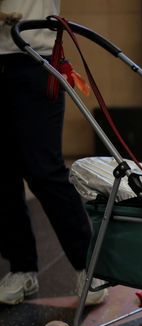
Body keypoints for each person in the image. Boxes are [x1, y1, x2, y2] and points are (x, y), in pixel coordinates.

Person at [0, 0, 106, 306]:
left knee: (43, 169)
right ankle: (22, 269)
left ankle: (90, 267)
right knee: (3, 173)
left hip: (33, 53)